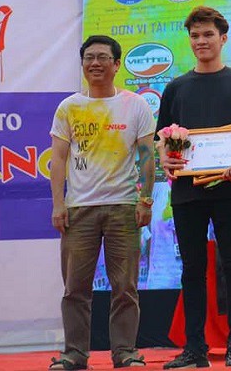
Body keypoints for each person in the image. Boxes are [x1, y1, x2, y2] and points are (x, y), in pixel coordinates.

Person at [157, 6, 231, 369]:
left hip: (230, 190)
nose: (201, 41)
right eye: (195, 35)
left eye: (208, 35)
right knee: (192, 269)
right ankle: (195, 349)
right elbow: (163, 137)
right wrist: (166, 159)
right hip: (187, 193)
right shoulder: (176, 87)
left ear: (223, 38)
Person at [49, 35, 156, 370]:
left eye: (102, 57)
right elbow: (58, 159)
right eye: (89, 57)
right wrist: (58, 204)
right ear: (82, 64)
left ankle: (125, 352)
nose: (95, 63)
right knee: (75, 288)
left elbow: (147, 156)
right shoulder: (69, 107)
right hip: (79, 209)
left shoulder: (135, 105)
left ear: (117, 64)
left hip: (124, 207)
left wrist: (146, 200)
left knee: (125, 287)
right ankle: (75, 354)